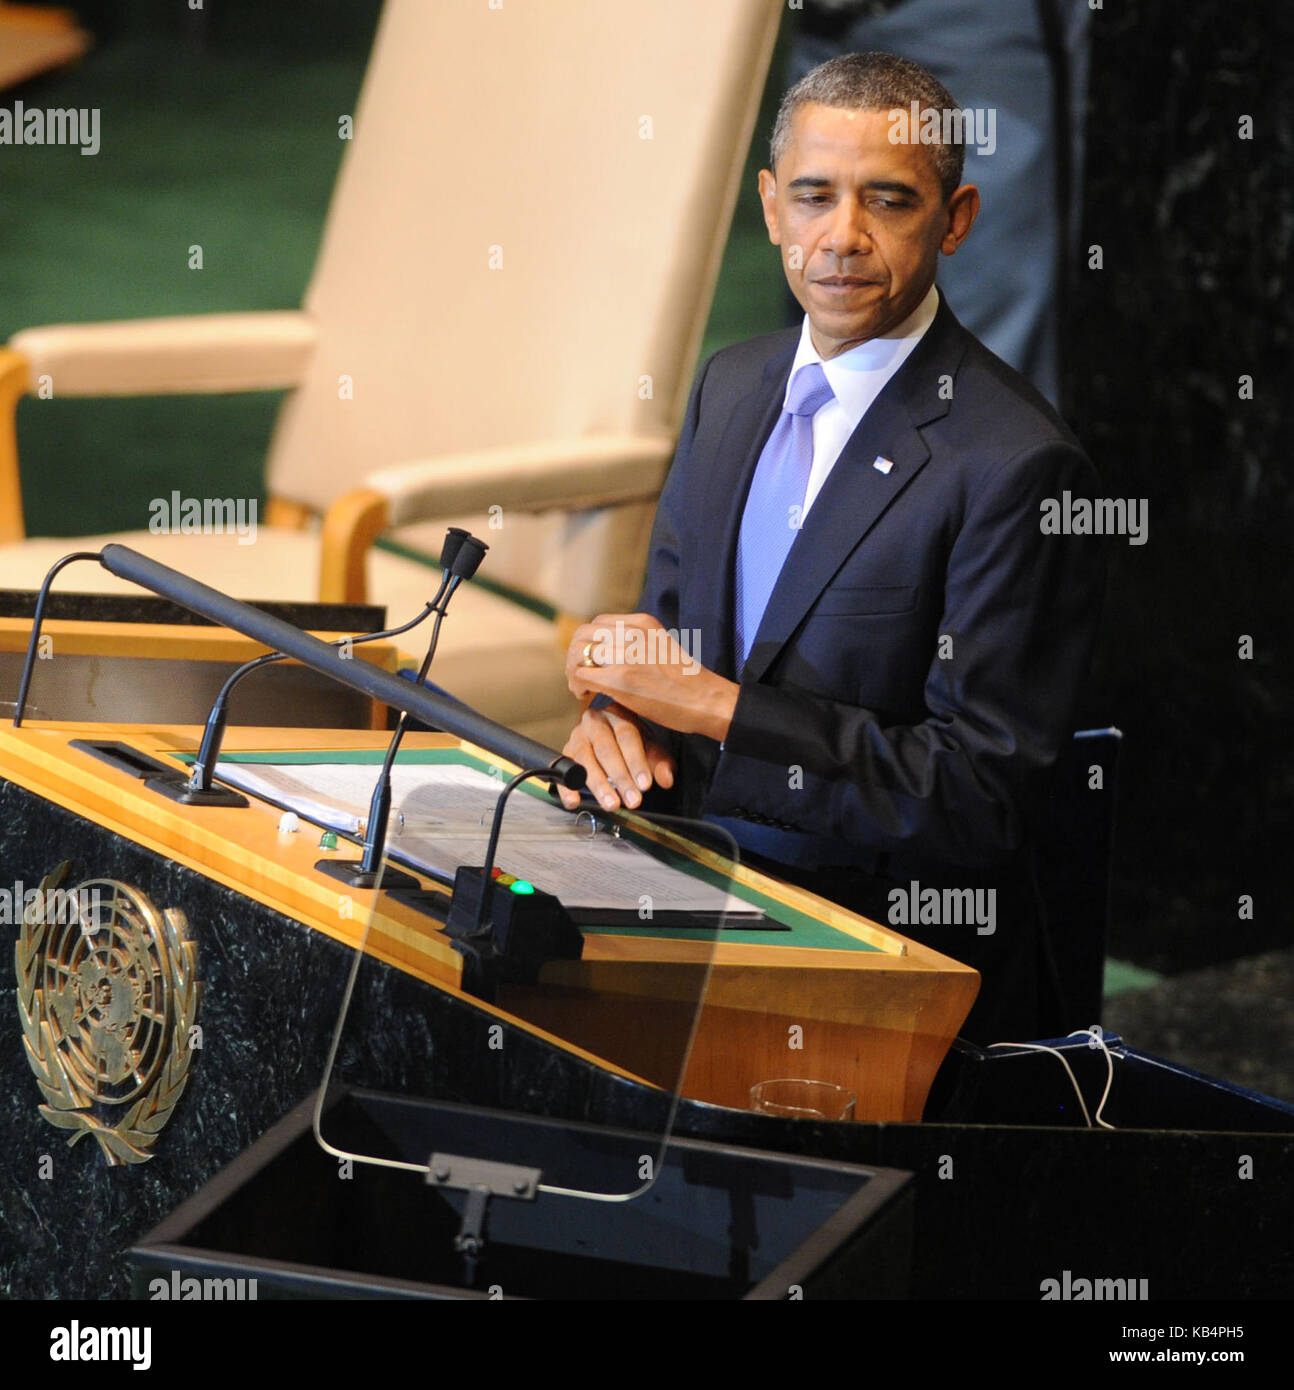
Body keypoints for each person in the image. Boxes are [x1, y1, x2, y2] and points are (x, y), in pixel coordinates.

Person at [555, 53, 1104, 1043]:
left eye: (887, 201)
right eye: (813, 196)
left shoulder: (1018, 465)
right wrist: (617, 714)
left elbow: (979, 799)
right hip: (677, 881)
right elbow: (675, 649)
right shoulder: (731, 383)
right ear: (770, 207)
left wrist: (714, 710)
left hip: (875, 954)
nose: (841, 239)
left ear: (956, 218)